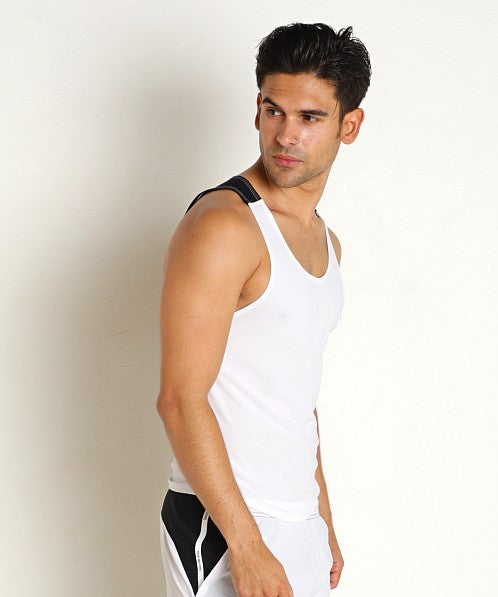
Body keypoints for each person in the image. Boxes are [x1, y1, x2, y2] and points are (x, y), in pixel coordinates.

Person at [156, 22, 371, 597]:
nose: (286, 135)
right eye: (274, 110)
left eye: (310, 117)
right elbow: (179, 399)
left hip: (298, 523)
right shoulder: (223, 227)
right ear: (257, 109)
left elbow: (297, 396)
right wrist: (247, 546)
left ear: (349, 125)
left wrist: (322, 519)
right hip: (225, 523)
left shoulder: (327, 243)